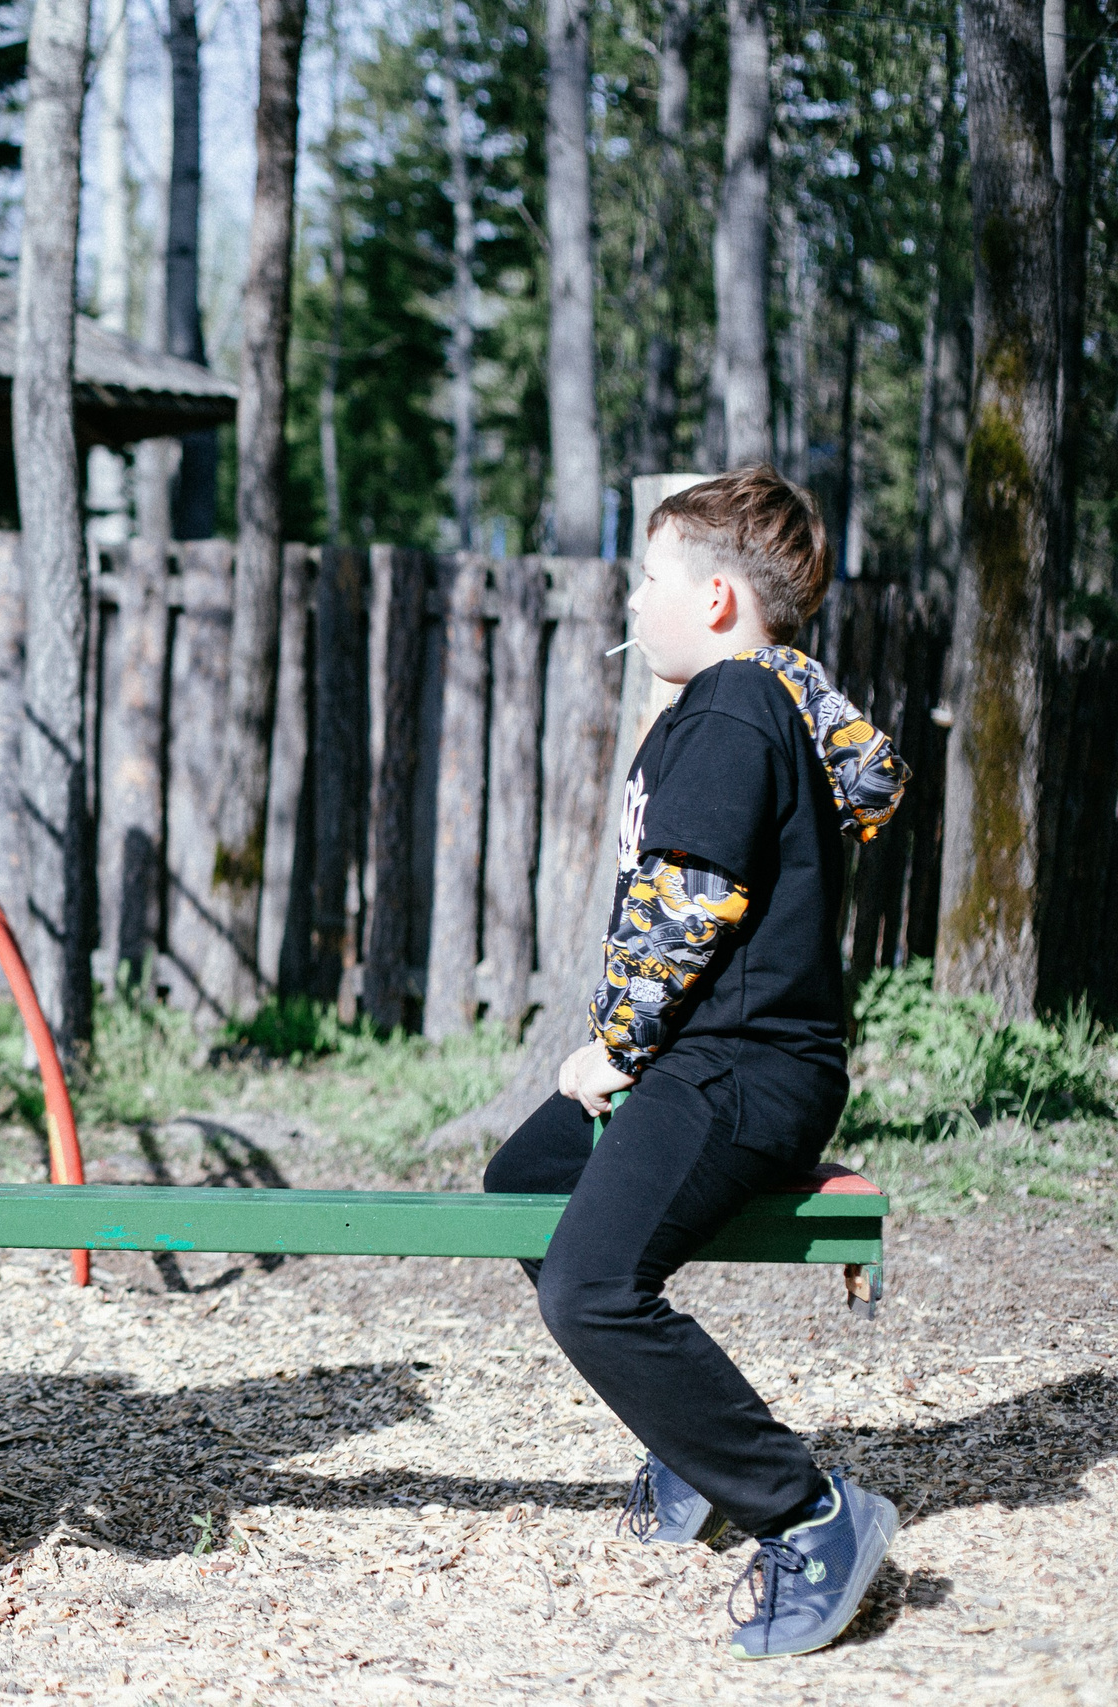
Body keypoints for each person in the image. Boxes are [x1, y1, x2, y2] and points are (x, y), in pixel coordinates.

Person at [483, 466, 910, 1661]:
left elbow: (693, 902)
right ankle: (689, 1436)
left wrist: (610, 1049)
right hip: (716, 1059)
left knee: (589, 1287)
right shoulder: (765, 698)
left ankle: (809, 1512)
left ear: (717, 599)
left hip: (736, 1067)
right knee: (525, 1188)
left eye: (651, 577)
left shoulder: (729, 705)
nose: (635, 598)